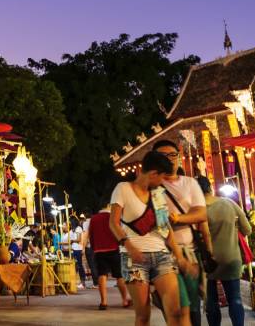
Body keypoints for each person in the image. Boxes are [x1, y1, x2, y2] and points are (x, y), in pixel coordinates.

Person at [109, 151, 189, 326]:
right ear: (153, 174)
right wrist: (129, 246)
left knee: (175, 311)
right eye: (162, 177)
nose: (163, 182)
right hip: (133, 260)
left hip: (161, 255)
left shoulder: (158, 194)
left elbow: (165, 229)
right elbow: (113, 223)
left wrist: (180, 257)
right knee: (143, 315)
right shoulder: (122, 188)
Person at [154, 139, 207, 326]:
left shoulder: (190, 183)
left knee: (193, 308)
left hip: (191, 252)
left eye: (172, 155)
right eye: (162, 156)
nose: (168, 159)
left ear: (179, 157)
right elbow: (161, 224)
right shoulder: (152, 187)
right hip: (164, 257)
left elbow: (201, 214)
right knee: (176, 310)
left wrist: (177, 219)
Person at [197, 176, 250, 326]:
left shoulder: (197, 211)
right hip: (231, 258)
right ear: (210, 188)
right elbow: (247, 229)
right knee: (235, 299)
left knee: (212, 303)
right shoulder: (229, 203)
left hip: (208, 262)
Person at [82, 204, 130, 310]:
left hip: (99, 251)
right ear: (108, 205)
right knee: (119, 275)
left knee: (102, 275)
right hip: (113, 249)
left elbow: (91, 235)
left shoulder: (93, 219)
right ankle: (125, 300)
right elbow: (119, 232)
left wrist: (94, 248)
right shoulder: (113, 217)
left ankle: (103, 302)